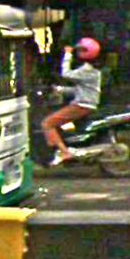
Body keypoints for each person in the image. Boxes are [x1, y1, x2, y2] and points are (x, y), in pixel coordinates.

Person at [42, 37, 102, 166]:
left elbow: (66, 74)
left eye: (80, 50)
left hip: (82, 105)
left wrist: (67, 54)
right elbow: (79, 90)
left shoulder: (87, 70)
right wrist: (59, 90)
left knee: (47, 123)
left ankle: (65, 152)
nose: (77, 53)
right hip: (83, 103)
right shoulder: (91, 69)